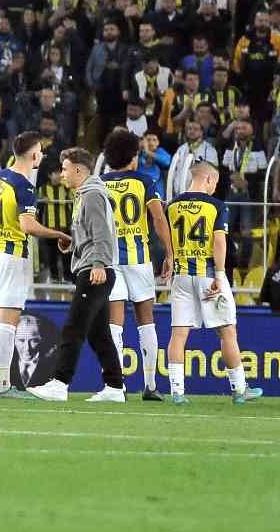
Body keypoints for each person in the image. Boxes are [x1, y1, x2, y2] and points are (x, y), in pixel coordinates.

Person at [0, 132, 70, 398]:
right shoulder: (24, 186)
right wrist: (58, 234)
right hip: (11, 256)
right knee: (8, 320)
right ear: (34, 155)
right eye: (41, 152)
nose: (42, 156)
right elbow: (27, 226)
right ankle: (3, 385)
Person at [28, 149, 127, 404]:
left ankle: (60, 383)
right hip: (93, 268)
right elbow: (92, 234)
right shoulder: (87, 195)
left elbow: (103, 234)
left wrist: (98, 264)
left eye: (65, 168)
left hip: (95, 272)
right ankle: (115, 386)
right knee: (98, 334)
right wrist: (73, 245)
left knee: (73, 328)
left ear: (79, 170)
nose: (62, 174)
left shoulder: (92, 195)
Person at [163, 161, 264, 405]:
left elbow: (166, 237)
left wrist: (169, 259)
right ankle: (239, 390)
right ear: (208, 179)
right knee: (227, 330)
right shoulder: (216, 206)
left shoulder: (173, 205)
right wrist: (220, 276)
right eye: (215, 183)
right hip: (209, 276)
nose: (214, 187)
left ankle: (177, 392)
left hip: (181, 276)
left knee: (178, 333)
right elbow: (219, 242)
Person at [100, 127, 173, 401]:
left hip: (110, 261)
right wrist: (169, 253)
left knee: (114, 324)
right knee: (146, 321)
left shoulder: (100, 182)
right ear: (133, 157)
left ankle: (116, 387)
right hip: (139, 259)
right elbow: (157, 218)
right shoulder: (144, 181)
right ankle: (151, 386)